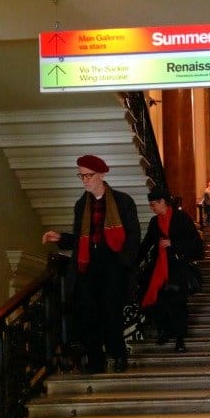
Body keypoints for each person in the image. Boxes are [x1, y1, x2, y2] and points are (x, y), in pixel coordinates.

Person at [42, 154, 140, 374]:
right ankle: (96, 361)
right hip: (88, 265)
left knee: (111, 312)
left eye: (89, 175)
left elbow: (133, 237)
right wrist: (60, 238)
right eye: (81, 176)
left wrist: (123, 263)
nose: (85, 180)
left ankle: (118, 354)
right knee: (89, 314)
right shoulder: (81, 205)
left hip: (113, 264)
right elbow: (80, 239)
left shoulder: (123, 201)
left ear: (101, 174)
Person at [138, 187, 203, 354]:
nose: (151, 207)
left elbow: (196, 243)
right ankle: (164, 331)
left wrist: (172, 243)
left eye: (153, 204)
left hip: (176, 268)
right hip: (158, 268)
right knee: (159, 301)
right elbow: (146, 244)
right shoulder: (154, 222)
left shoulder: (181, 218)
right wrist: (131, 262)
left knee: (178, 303)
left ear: (162, 202)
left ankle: (180, 337)